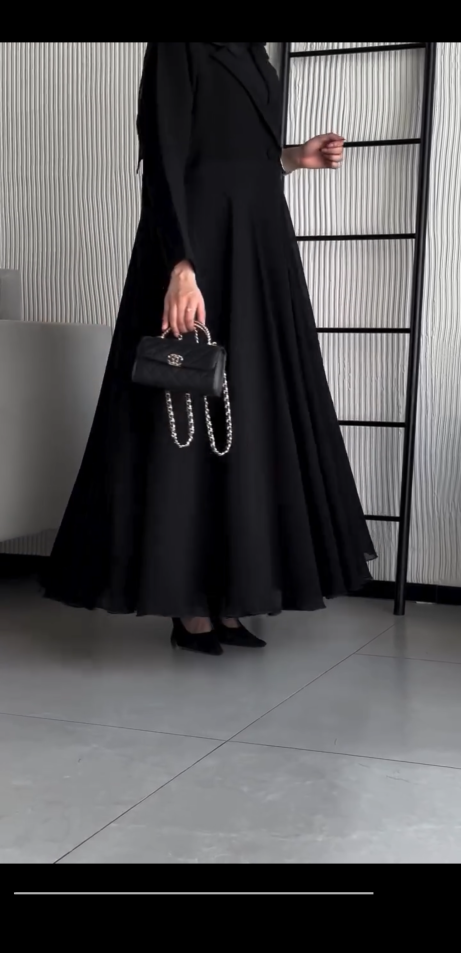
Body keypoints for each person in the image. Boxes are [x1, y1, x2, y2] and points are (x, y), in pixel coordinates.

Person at [44, 42, 377, 655]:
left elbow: (236, 152)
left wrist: (291, 158)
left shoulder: (255, 54)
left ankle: (227, 596)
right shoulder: (180, 47)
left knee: (249, 415)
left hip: (257, 249)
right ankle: (188, 605)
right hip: (198, 249)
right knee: (183, 416)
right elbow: (165, 154)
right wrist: (180, 265)